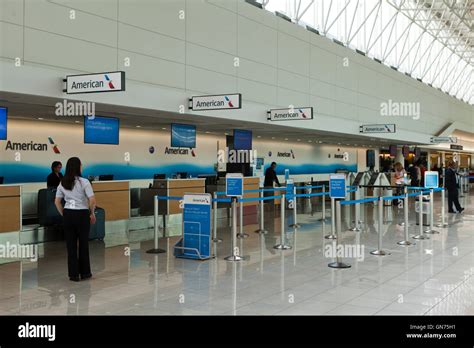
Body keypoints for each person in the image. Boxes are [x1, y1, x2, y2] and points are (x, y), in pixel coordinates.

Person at [54, 157, 96, 281]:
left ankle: (73, 274)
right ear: (78, 167)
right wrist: (92, 213)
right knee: (83, 244)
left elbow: (57, 202)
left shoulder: (62, 182)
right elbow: (92, 200)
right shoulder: (84, 182)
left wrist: (64, 214)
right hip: (82, 214)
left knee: (71, 246)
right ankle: (85, 273)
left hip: (68, 215)